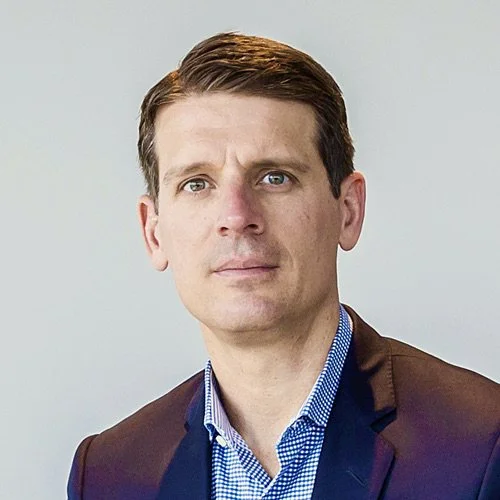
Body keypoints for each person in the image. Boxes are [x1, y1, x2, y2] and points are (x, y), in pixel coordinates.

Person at [67, 32, 500, 500]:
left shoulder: (480, 446)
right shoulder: (108, 476)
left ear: (348, 210)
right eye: (197, 183)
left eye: (275, 177)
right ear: (154, 231)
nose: (236, 216)